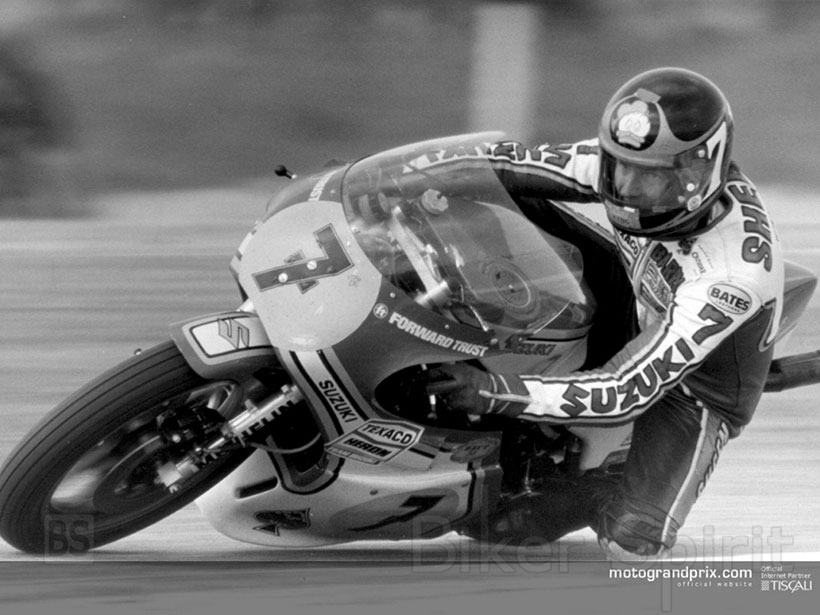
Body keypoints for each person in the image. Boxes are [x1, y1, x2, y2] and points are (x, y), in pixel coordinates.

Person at [421, 67, 785, 559]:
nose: (626, 189)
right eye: (619, 167)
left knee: (632, 544)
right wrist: (387, 179)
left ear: (697, 178)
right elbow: (506, 161)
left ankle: (595, 482)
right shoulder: (639, 165)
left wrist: (491, 392)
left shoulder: (731, 279)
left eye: (648, 177)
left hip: (693, 389)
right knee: (497, 191)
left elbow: (624, 390)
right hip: (636, 295)